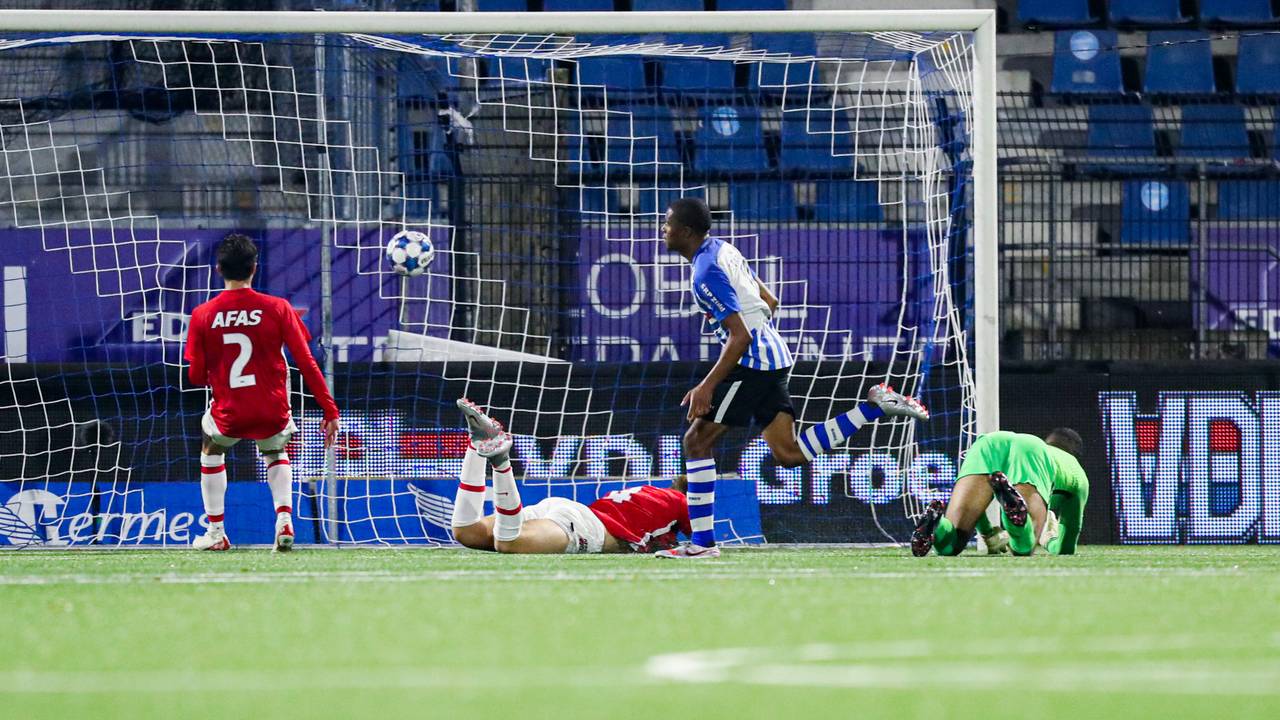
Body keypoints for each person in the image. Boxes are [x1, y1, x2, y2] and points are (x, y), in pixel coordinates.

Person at [658, 197, 930, 559]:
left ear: (686, 232)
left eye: (668, 223)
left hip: (752, 363)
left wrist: (707, 385)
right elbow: (770, 301)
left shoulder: (705, 272)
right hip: (775, 357)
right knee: (788, 454)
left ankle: (702, 545)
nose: (664, 229)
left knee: (696, 442)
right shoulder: (724, 249)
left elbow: (740, 337)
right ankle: (874, 407)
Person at [183, 233, 340, 552]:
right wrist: (329, 410)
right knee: (275, 450)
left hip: (230, 414)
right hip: (272, 410)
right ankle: (284, 519)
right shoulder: (278, 308)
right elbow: (308, 362)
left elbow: (196, 376)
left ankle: (216, 533)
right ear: (255, 268)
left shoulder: (202, 315)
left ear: (218, 269)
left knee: (211, 448)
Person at [450, 399, 690, 554]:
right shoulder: (683, 503)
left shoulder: (648, 492)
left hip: (567, 511)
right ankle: (501, 462)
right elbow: (702, 541)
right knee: (509, 543)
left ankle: (476, 444)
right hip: (586, 528)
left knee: (467, 532)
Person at [911, 428, 1089, 557]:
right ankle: (1011, 504)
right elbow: (1066, 546)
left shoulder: (1044, 448)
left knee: (952, 544)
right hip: (1030, 449)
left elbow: (976, 508)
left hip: (990, 442)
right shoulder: (1076, 472)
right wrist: (1049, 539)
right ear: (1075, 453)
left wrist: (988, 533)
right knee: (1023, 546)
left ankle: (937, 522)